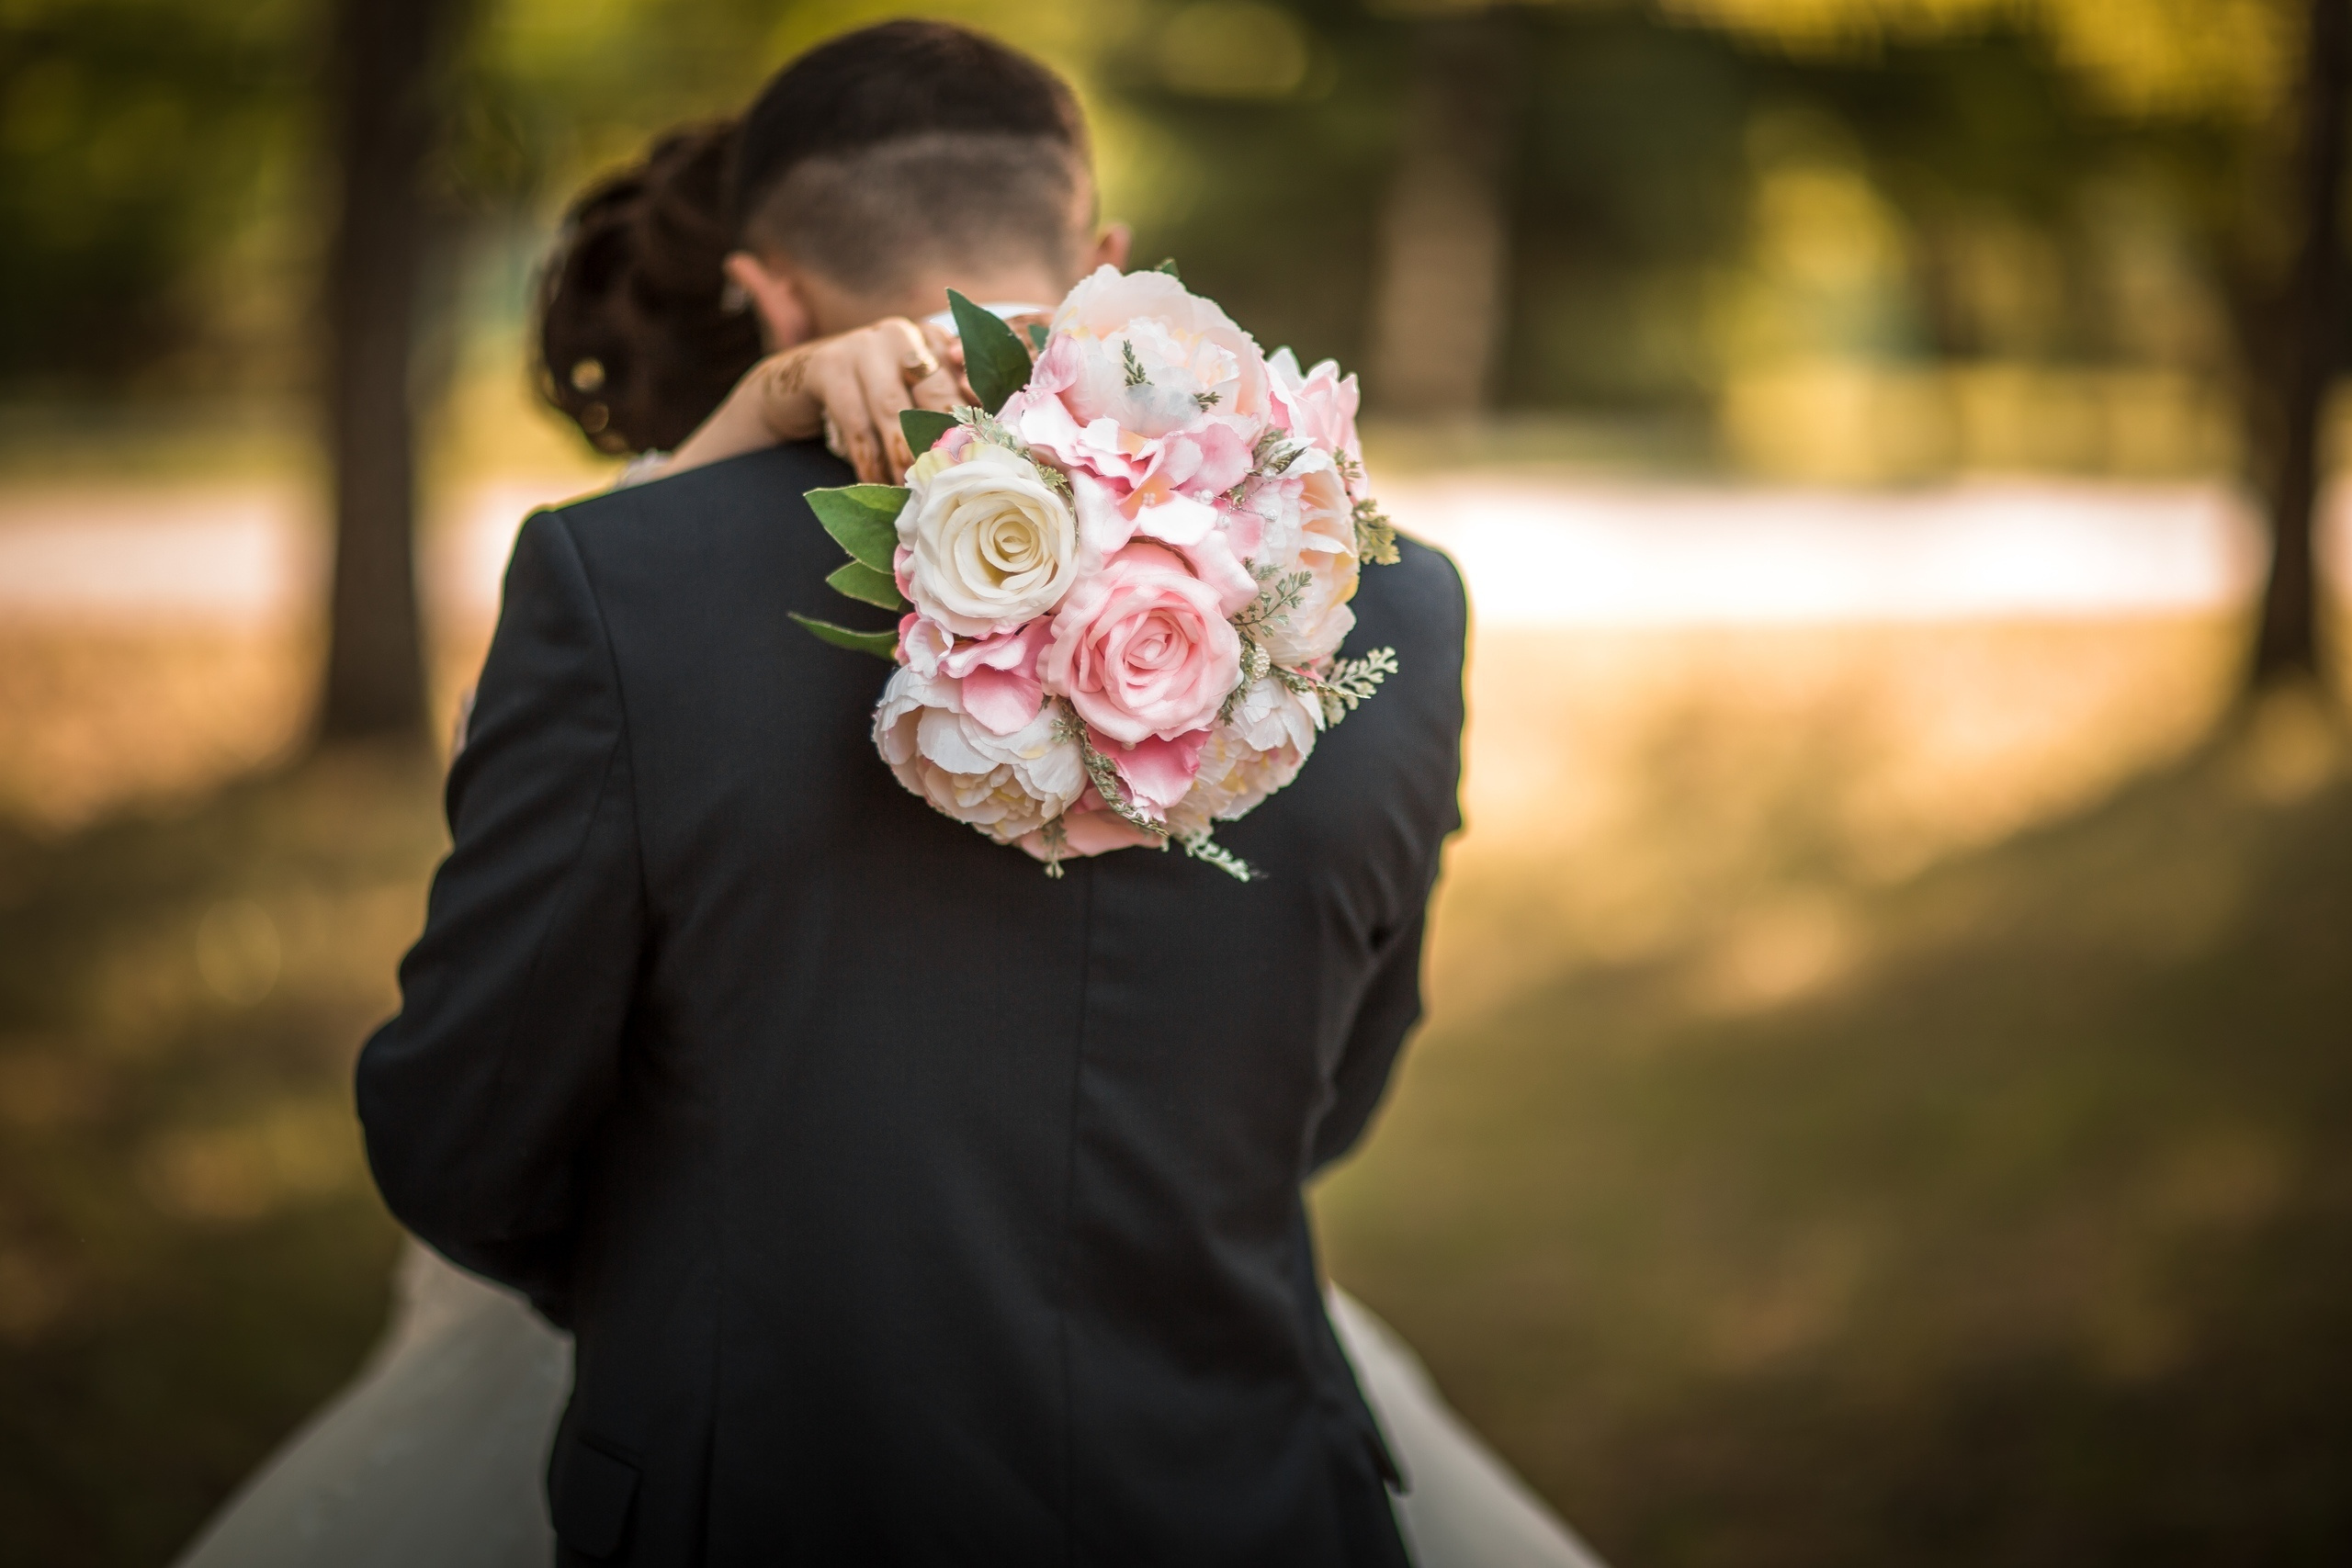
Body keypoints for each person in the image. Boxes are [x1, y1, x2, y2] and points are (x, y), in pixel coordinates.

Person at [173, 21, 1602, 1568]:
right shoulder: (1383, 601)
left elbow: (463, 1142)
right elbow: (1330, 1096)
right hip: (1253, 1505)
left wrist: (689, 1283)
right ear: (1103, 255)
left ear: (764, 297)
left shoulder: (625, 585)